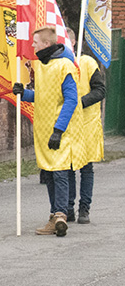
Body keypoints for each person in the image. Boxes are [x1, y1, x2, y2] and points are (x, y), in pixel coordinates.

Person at [12, 25, 80, 237]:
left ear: (46, 44)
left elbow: (71, 99)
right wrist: (24, 93)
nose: (32, 45)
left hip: (59, 129)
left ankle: (59, 214)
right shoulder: (41, 65)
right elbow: (41, 95)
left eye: (35, 42)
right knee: (49, 173)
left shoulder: (64, 66)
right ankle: (56, 214)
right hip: (42, 129)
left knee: (59, 170)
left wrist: (59, 130)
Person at [65, 29, 104, 224]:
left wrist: (80, 102)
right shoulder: (60, 65)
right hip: (69, 124)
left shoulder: (87, 63)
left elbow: (100, 90)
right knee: (69, 166)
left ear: (73, 42)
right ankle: (68, 207)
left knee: (86, 167)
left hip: (87, 123)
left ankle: (84, 208)